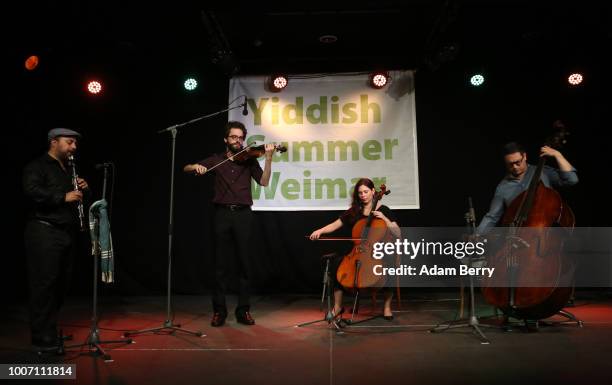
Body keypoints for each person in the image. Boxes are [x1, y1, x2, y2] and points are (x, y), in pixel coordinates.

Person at [183, 121, 274, 327]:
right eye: (234, 137)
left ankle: (243, 310)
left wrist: (268, 159)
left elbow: (265, 182)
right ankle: (219, 311)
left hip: (243, 215)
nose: (238, 141)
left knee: (244, 265)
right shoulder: (216, 160)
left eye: (241, 138)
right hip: (222, 214)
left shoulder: (250, 160)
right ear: (226, 139)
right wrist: (195, 167)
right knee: (220, 266)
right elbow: (186, 167)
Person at [23, 128, 89, 352]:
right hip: (44, 232)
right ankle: (41, 338)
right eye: (69, 142)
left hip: (64, 233)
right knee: (44, 285)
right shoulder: (37, 166)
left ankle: (49, 329)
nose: (74, 148)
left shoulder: (67, 168)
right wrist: (63, 196)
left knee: (61, 284)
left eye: (75, 144)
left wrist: (80, 189)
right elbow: (31, 191)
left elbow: (71, 197)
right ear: (54, 142)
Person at [309, 178, 401, 320]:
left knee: (389, 264)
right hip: (358, 252)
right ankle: (338, 306)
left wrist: (384, 218)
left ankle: (387, 307)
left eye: (366, 191)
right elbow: (336, 224)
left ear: (373, 191)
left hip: (378, 251)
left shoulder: (384, 210)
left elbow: (397, 232)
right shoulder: (355, 210)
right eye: (360, 193)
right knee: (336, 264)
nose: (363, 195)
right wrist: (320, 231)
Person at [476, 141, 578, 235]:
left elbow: (572, 180)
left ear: (524, 156)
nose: (515, 167)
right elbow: (492, 217)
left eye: (518, 162)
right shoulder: (502, 187)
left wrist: (557, 155)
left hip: (547, 234)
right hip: (519, 238)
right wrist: (477, 235)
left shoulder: (542, 171)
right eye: (510, 164)